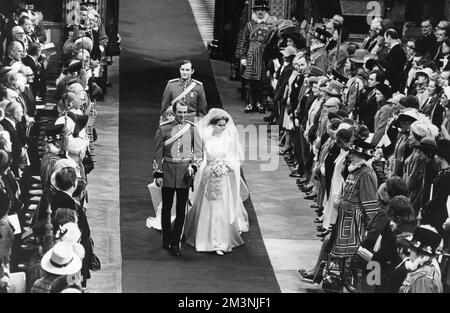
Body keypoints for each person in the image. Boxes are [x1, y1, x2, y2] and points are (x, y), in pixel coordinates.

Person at [184, 109, 249, 255]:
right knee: (208, 207)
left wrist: (226, 166)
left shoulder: (229, 138)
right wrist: (205, 169)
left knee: (221, 208)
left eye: (224, 125)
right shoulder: (205, 136)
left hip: (223, 176)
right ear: (213, 125)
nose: (223, 128)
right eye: (220, 125)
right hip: (208, 175)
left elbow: (234, 158)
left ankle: (219, 242)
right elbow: (201, 156)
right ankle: (204, 240)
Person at [152, 101, 202, 257]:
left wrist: (193, 167)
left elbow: (199, 154)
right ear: (174, 112)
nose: (182, 115)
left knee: (181, 210)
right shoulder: (164, 128)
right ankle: (166, 239)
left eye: (185, 112)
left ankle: (176, 243)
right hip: (167, 171)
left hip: (184, 175)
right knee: (166, 208)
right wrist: (158, 174)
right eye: (179, 112)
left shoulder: (193, 129)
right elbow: (157, 153)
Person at [239, 0, 273, 114]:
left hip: (263, 56)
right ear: (255, 11)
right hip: (251, 55)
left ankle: (260, 104)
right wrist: (243, 56)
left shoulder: (269, 26)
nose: (260, 12)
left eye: (262, 10)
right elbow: (244, 42)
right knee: (250, 82)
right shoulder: (249, 25)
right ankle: (250, 103)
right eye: (258, 10)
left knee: (262, 81)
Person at [399, 225, 443, 293]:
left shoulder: (423, 280)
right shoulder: (424, 269)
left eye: (412, 248)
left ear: (421, 254)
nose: (409, 250)